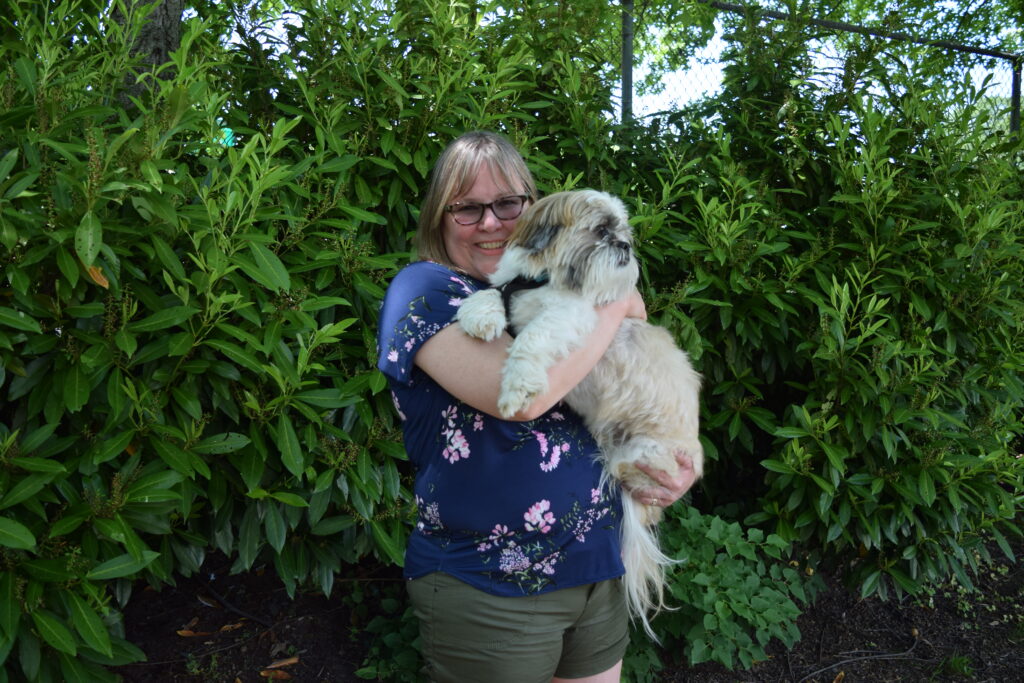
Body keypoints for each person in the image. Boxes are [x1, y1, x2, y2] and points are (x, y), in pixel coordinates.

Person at [376, 130, 698, 683]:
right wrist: (616, 298)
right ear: (438, 217)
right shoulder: (425, 291)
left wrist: (667, 461)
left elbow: (631, 365)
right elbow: (526, 397)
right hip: (491, 582)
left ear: (534, 210)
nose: (491, 223)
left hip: (596, 564)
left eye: (508, 204)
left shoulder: (550, 287)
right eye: (467, 209)